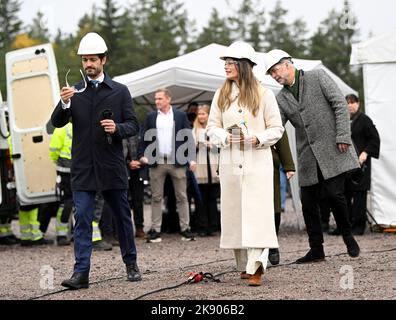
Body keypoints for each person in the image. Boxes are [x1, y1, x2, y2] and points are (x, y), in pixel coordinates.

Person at [51, 32, 141, 289]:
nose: (88, 64)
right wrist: (64, 103)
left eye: (92, 59)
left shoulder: (120, 91)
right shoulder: (74, 93)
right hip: (82, 168)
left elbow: (133, 124)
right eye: (84, 60)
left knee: (123, 218)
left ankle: (131, 264)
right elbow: (56, 123)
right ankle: (81, 274)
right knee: (82, 222)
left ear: (104, 60)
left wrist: (117, 128)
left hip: (111, 167)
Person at [265, 49, 361, 263]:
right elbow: (276, 127)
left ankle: (348, 236)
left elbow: (339, 104)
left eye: (275, 70)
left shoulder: (317, 77)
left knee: (335, 195)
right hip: (307, 156)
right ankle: (316, 250)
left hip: (334, 148)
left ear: (287, 64)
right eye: (271, 73)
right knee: (307, 202)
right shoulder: (280, 98)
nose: (274, 75)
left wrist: (343, 135)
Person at [207, 41, 284, 286]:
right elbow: (211, 127)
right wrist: (224, 137)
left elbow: (277, 129)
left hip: (257, 161)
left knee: (258, 214)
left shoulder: (264, 94)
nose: (226, 67)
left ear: (244, 66)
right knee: (235, 215)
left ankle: (258, 266)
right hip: (231, 161)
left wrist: (258, 138)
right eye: (225, 63)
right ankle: (243, 265)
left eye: (231, 63)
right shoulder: (221, 94)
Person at [140, 88, 197, 243]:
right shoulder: (151, 117)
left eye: (159, 98)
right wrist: (142, 155)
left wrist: (191, 158)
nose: (156, 101)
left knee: (182, 196)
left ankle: (186, 229)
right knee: (156, 197)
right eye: (155, 99)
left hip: (177, 161)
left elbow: (188, 138)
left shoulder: (180, 115)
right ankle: (155, 230)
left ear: (168, 99)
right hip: (156, 161)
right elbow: (144, 138)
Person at [345, 94, 380, 235]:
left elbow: (374, 139)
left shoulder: (365, 120)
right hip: (346, 165)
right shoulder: (343, 121)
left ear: (358, 104)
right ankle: (346, 225)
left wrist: (365, 153)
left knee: (359, 195)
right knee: (344, 194)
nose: (350, 105)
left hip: (362, 165)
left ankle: (359, 226)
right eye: (347, 103)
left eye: (353, 102)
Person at [192, 104, 220, 237]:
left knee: (212, 199)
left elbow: (221, 147)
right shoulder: (194, 130)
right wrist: (197, 145)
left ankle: (214, 226)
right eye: (200, 114)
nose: (202, 116)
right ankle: (202, 226)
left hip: (213, 168)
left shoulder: (214, 129)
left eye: (204, 114)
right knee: (200, 199)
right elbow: (189, 149)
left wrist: (212, 146)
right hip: (200, 168)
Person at [268, 132, 295, 265]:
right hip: (245, 163)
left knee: (274, 204)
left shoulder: (270, 110)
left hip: (268, 160)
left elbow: (279, 132)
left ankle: (273, 244)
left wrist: (288, 165)